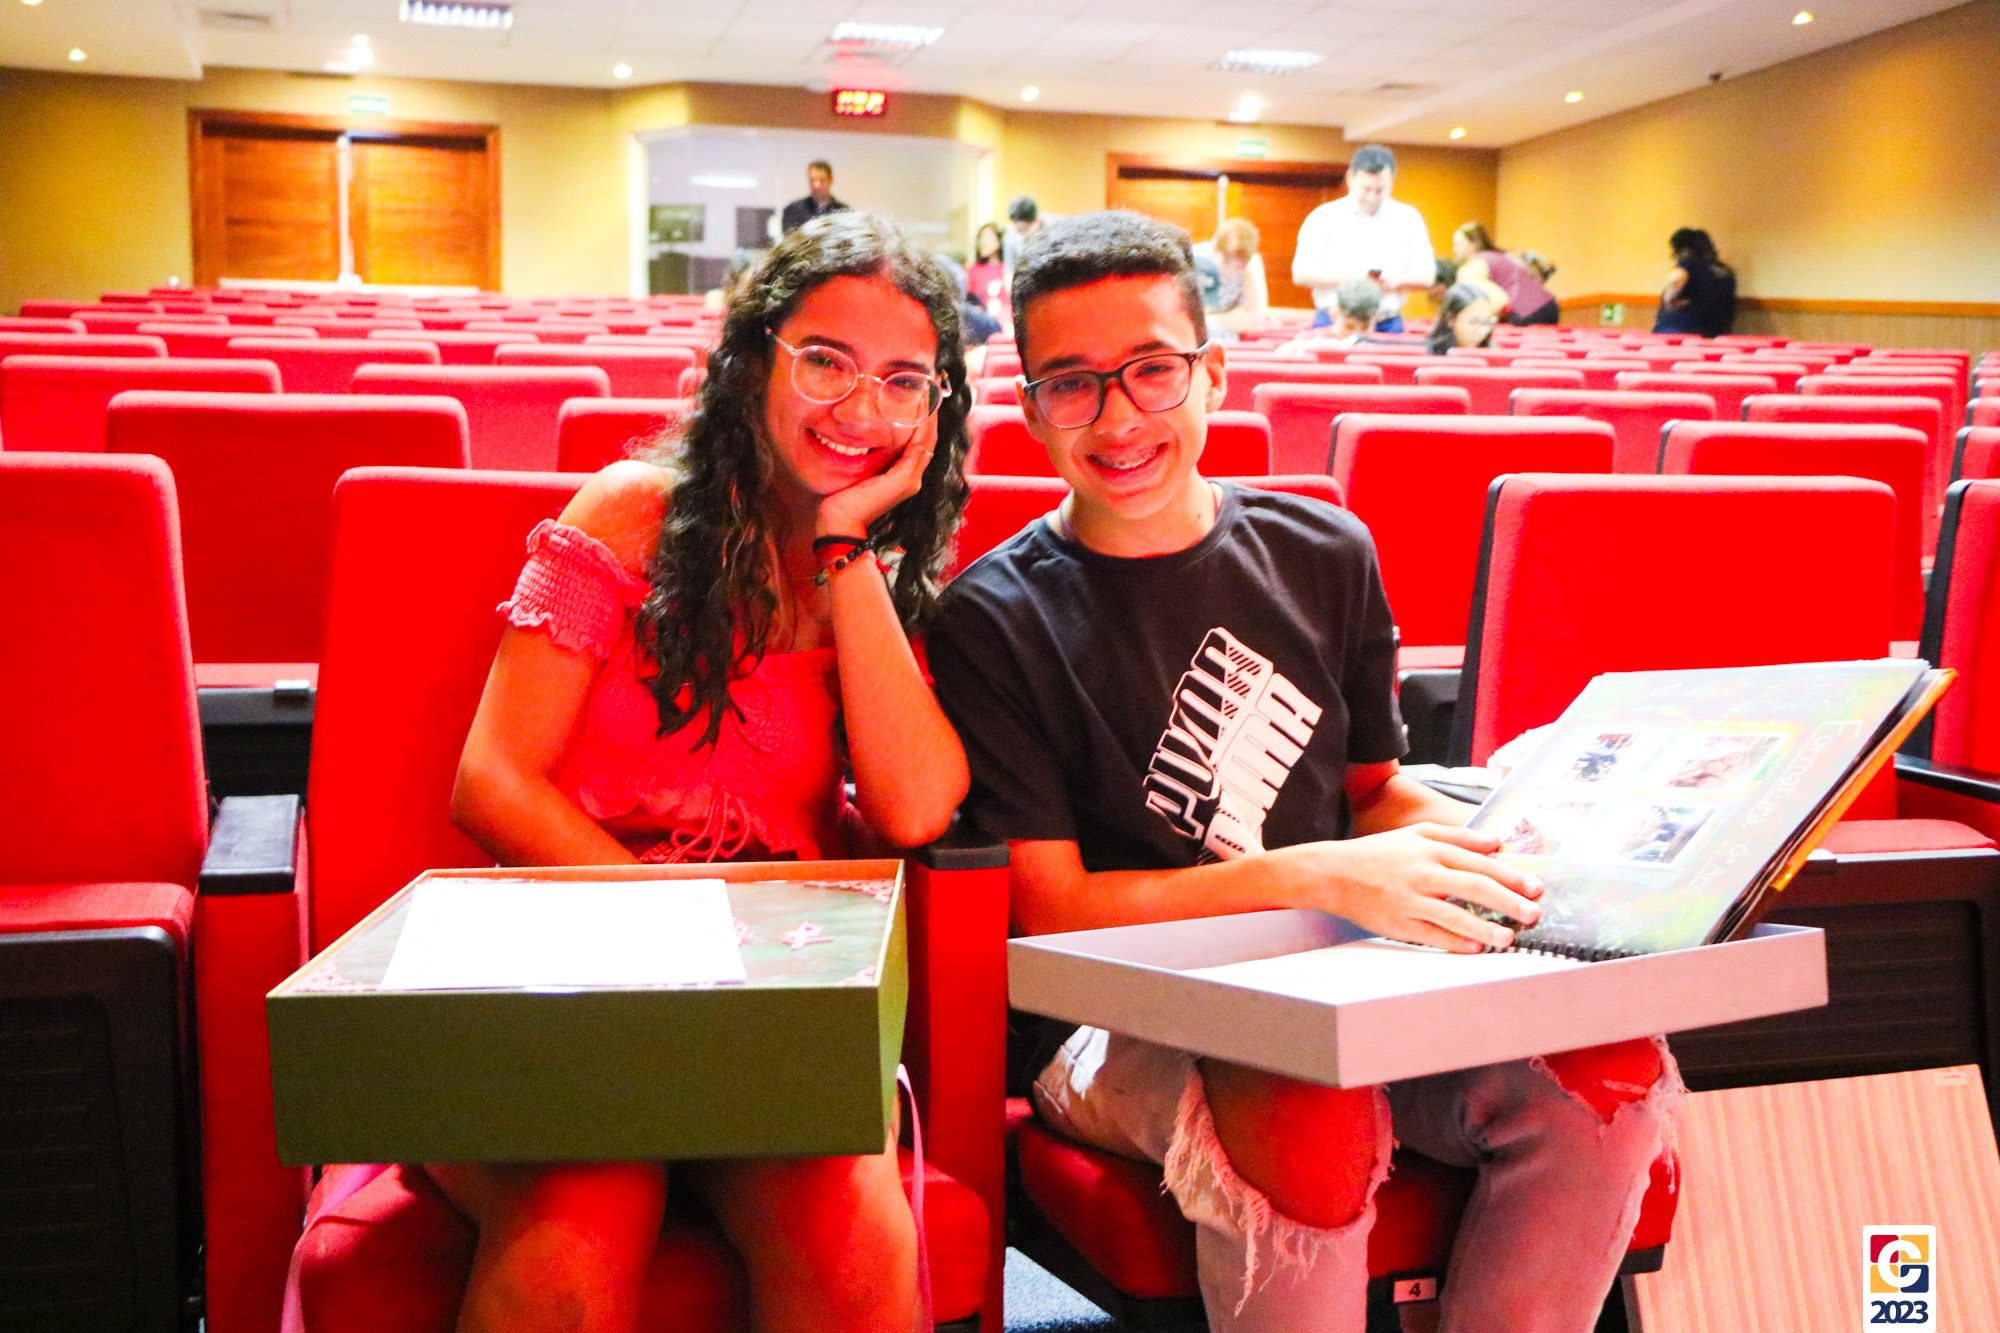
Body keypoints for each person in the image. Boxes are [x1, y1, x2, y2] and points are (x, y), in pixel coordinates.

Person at [929, 209, 1678, 1333]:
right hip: (1114, 1015)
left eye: (1152, 369)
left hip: (1343, 975)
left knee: (1604, 1069)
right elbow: (1056, 909)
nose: (1118, 416)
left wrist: (1506, 849)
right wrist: (1324, 876)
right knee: (1300, 1094)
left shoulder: (1325, 550)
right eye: (1072, 383)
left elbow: (1375, 790)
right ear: (1030, 409)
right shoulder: (992, 616)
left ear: (1212, 374)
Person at [441, 210, 972, 1333]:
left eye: (902, 382)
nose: (860, 409)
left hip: (760, 1006)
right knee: (576, 1231)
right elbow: (491, 781)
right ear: (752, 359)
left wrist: (844, 544)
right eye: (825, 361)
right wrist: (688, 940)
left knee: (853, 1235)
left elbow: (917, 806)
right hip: (571, 967)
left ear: (934, 412)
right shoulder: (628, 513)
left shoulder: (868, 572)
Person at [1291, 144, 1436, 334]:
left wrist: (1393, 280)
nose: (1372, 197)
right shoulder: (1324, 216)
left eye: (1380, 190)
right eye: (1366, 188)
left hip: (1387, 321)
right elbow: (1301, 273)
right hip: (1334, 319)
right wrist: (1357, 279)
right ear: (1350, 178)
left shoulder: (1408, 218)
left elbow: (1427, 276)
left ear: (1392, 181)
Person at [1451, 222, 1560, 325]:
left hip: (1525, 312)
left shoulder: (1474, 264)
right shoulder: (1504, 256)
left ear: (1473, 244)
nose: (1454, 250)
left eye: (1458, 244)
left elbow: (1499, 300)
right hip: (1550, 306)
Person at [1192, 218, 1270, 335]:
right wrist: (1222, 320)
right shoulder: (1197, 260)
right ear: (1214, 247)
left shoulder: (1250, 264)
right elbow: (1185, 322)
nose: (1228, 272)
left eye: (1237, 268)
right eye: (1225, 262)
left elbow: (1257, 319)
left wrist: (1250, 274)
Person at [1654, 227, 1737, 336]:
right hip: (1717, 333)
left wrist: (1669, 299)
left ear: (1685, 250)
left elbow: (1676, 278)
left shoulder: (1688, 264)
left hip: (1679, 330)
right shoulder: (1726, 271)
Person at [1426, 280, 1502, 355]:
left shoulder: (1494, 353)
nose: (1482, 331)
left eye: (1487, 323)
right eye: (1474, 322)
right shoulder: (1427, 353)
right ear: (1451, 319)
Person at [779, 159, 848, 234]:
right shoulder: (793, 211)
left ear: (830, 180)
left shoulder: (844, 212)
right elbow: (790, 238)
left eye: (822, 180)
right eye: (812, 180)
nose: (816, 185)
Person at [1000, 194, 1043, 279]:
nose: (1022, 235)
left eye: (1024, 230)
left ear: (1036, 221)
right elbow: (1009, 271)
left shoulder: (1053, 229)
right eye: (1019, 231)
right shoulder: (1010, 238)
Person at [967, 221, 1007, 309]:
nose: (983, 242)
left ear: (999, 241)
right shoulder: (974, 270)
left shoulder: (1007, 269)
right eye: (981, 238)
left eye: (988, 238)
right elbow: (969, 300)